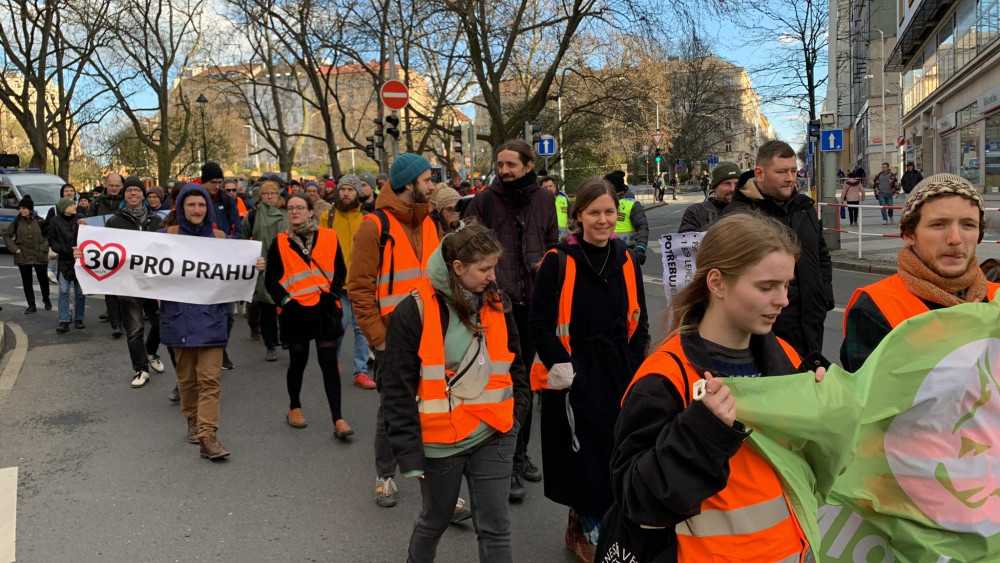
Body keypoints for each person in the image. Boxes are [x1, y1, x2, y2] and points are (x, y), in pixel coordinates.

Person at [600, 212, 821, 562]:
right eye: (766, 287)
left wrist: (828, 407)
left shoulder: (789, 358)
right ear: (716, 283)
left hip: (792, 552)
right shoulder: (665, 377)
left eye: (786, 285)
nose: (783, 300)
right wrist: (701, 432)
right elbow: (635, 498)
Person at [381, 222, 530, 563]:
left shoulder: (496, 301)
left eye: (494, 267)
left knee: (496, 528)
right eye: (484, 269)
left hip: (495, 433)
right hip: (440, 444)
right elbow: (396, 389)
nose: (493, 276)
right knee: (435, 520)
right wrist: (408, 454)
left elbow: (516, 363)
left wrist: (516, 418)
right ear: (458, 268)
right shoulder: (414, 311)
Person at [529, 177, 649, 561]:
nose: (603, 220)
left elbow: (639, 319)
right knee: (584, 457)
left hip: (618, 369)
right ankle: (584, 527)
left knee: (617, 452)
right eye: (594, 212)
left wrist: (636, 364)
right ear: (578, 215)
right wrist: (567, 369)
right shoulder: (558, 261)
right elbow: (539, 325)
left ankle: (604, 526)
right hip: (575, 371)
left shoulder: (625, 257)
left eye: (609, 212)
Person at [347, 153, 449, 508]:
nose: (432, 186)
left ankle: (441, 488)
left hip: (432, 333)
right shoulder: (374, 226)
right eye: (427, 180)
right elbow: (359, 288)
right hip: (392, 337)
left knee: (436, 406)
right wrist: (378, 338)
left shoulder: (431, 222)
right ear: (408, 184)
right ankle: (385, 475)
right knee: (393, 408)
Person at [462, 139, 558, 501]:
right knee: (497, 384)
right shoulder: (484, 201)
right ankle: (500, 460)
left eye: (511, 164)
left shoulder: (545, 199)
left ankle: (518, 455)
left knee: (524, 384)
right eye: (500, 164)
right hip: (495, 305)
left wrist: (547, 264)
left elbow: (553, 243)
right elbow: (468, 249)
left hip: (533, 305)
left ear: (528, 165)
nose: (504, 170)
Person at [841, 174, 1000, 371]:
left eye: (968, 225)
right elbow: (872, 389)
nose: (955, 239)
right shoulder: (874, 308)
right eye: (938, 224)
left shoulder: (996, 297)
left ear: (979, 235)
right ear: (909, 234)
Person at [160, 183, 264, 460]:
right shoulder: (166, 237)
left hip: (210, 318)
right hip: (179, 317)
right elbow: (129, 257)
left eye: (202, 205)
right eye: (191, 204)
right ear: (181, 207)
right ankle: (192, 419)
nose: (197, 210)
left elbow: (238, 267)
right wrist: (87, 249)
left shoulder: (219, 239)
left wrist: (254, 266)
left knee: (209, 379)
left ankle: (208, 435)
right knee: (187, 379)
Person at [723, 140, 833, 357]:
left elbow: (821, 254)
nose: (790, 178)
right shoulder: (739, 216)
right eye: (782, 172)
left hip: (811, 320)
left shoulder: (804, 207)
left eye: (793, 170)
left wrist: (824, 294)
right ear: (759, 173)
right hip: (767, 329)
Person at [265, 194, 353, 438]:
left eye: (300, 208)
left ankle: (338, 418)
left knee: (329, 362)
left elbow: (340, 270)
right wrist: (286, 301)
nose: (294, 212)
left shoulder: (329, 236)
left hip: (324, 309)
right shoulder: (280, 241)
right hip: (296, 311)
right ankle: (294, 407)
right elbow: (271, 280)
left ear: (311, 212)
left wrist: (333, 295)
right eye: (291, 208)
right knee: (298, 361)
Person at [104, 177, 165, 388]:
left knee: (160, 322)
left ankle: (150, 352)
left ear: (143, 195)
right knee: (135, 328)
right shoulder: (114, 222)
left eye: (137, 190)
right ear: (124, 195)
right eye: (129, 190)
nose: (133, 193)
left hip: (153, 282)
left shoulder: (156, 221)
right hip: (127, 283)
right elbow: (104, 249)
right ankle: (141, 369)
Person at [316, 174, 375, 390]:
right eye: (343, 189)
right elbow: (319, 250)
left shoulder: (368, 218)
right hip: (336, 284)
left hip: (362, 284)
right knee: (339, 326)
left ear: (358, 193)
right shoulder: (328, 217)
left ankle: (361, 371)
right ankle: (335, 358)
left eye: (350, 190)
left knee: (362, 329)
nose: (346, 193)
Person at [201, 162, 241, 370]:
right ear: (203, 181)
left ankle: (220, 348)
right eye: (213, 182)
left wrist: (228, 245)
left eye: (219, 182)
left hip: (224, 264)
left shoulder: (228, 201)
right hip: (202, 265)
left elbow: (238, 230)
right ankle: (206, 349)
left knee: (228, 314)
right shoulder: (196, 200)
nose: (216, 186)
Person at [243, 179, 287, 361]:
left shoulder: (287, 213)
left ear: (278, 195)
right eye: (266, 193)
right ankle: (270, 345)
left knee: (286, 305)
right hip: (263, 267)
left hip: (286, 266)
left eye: (273, 193)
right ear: (260, 196)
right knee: (267, 308)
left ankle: (286, 339)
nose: (270, 196)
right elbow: (243, 239)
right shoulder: (253, 216)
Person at [4, 195, 51, 313]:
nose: (21, 211)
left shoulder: (39, 221)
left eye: (24, 208)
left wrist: (44, 247)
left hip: (39, 254)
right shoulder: (17, 222)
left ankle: (46, 298)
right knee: (27, 281)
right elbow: (7, 235)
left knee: (43, 280)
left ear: (30, 209)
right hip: (23, 255)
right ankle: (31, 304)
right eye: (20, 208)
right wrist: (15, 249)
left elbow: (48, 235)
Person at [48, 197, 85, 333]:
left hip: (79, 259)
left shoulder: (80, 218)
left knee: (80, 292)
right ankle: (64, 320)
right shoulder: (55, 221)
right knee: (63, 291)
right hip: (64, 260)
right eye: (71, 205)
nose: (74, 206)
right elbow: (52, 239)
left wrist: (85, 226)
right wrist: (61, 249)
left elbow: (88, 235)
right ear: (64, 208)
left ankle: (79, 318)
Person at [603, 170, 650, 265]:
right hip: (604, 252)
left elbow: (642, 227)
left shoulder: (632, 204)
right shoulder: (602, 202)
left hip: (626, 253)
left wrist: (640, 248)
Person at [679, 161, 740, 233]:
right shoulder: (696, 212)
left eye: (737, 184)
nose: (733, 188)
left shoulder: (749, 209)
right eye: (727, 183)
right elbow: (686, 238)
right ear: (715, 187)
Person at [541, 175, 571, 240]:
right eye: (545, 187)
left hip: (562, 240)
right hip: (545, 240)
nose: (548, 189)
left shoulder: (564, 199)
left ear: (555, 187)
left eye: (550, 186)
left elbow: (572, 217)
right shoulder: (538, 202)